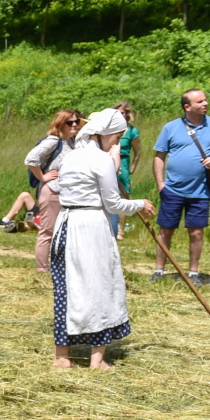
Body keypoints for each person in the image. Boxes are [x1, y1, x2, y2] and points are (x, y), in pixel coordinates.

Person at [49, 108, 152, 370]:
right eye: (117, 137)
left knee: (68, 288)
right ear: (107, 134)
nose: (117, 142)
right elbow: (113, 203)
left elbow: (57, 187)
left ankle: (62, 356)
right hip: (90, 227)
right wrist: (140, 204)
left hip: (65, 225)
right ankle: (97, 359)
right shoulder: (101, 159)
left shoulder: (71, 156)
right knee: (99, 286)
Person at [152, 89, 210, 284]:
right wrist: (161, 185)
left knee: (196, 232)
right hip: (173, 189)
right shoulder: (171, 127)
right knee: (166, 230)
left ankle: (193, 272)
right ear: (187, 106)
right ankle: (159, 270)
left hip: (201, 190)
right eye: (200, 101)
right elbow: (159, 156)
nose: (206, 104)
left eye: (205, 100)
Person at [24, 109, 82, 271]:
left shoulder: (72, 142)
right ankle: (42, 269)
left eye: (77, 121)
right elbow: (31, 158)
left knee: (64, 231)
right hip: (52, 192)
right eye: (70, 122)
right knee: (48, 231)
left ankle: (60, 266)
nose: (75, 125)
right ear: (60, 124)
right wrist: (42, 177)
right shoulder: (53, 141)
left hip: (65, 193)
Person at [108, 101, 141, 237]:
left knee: (123, 196)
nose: (120, 115)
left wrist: (133, 166)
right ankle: (109, 226)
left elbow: (138, 151)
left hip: (123, 162)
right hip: (108, 159)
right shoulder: (108, 128)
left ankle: (120, 230)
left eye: (122, 112)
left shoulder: (132, 131)